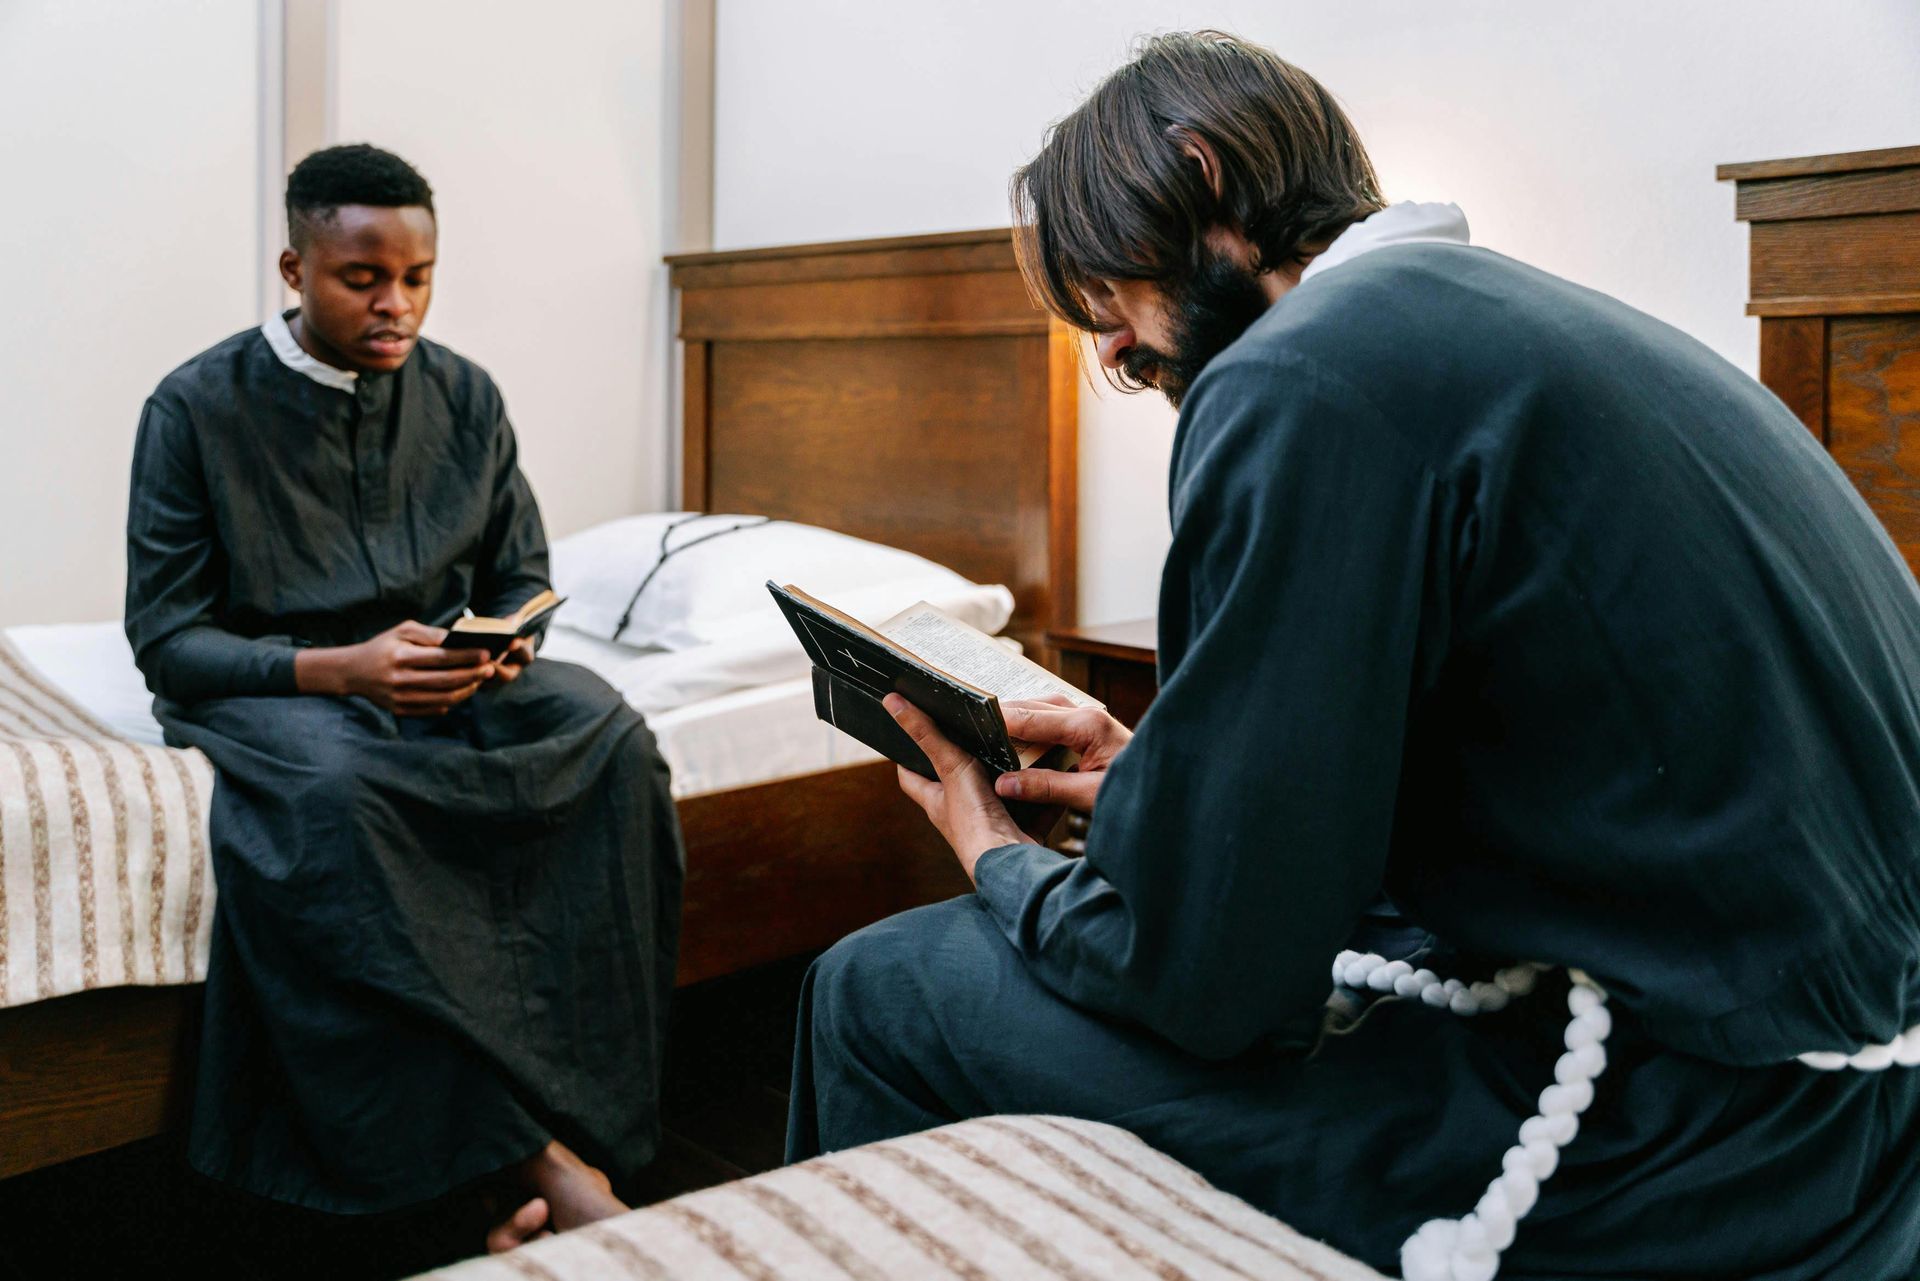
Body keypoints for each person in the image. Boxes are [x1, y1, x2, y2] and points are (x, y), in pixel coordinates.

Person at [786, 32, 1920, 1280]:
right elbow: (1516, 782)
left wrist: (996, 856)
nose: (1107, 348)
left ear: (1203, 173)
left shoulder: (1304, 374)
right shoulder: (1512, 327)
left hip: (1699, 1138)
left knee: (882, 987)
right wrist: (1164, 785)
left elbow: (1215, 983)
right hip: (1861, 1107)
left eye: (1103, 291)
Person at [125, 143, 683, 1250]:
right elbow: (169, 641)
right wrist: (343, 669)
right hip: (279, 689)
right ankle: (520, 1160)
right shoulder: (192, 406)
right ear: (295, 270)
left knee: (609, 732)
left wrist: (505, 647)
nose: (398, 304)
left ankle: (587, 1125)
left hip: (441, 679)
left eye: (418, 277)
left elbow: (520, 575)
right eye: (363, 278)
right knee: (334, 799)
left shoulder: (466, 395)